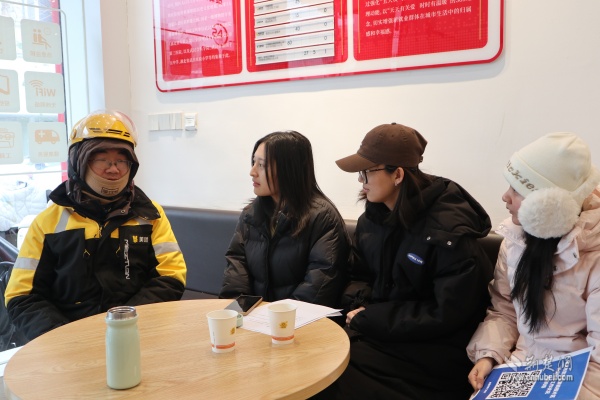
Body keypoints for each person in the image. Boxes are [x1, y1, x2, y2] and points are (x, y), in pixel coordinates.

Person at [317, 123, 494, 400]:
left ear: (398, 174)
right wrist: (360, 306)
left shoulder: (448, 231)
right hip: (383, 334)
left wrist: (372, 317)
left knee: (334, 380)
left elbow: (448, 312)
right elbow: (358, 275)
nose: (360, 180)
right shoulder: (371, 221)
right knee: (320, 365)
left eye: (366, 172)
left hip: (435, 350)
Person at [5, 110, 187, 341]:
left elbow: (171, 277)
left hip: (135, 333)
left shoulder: (150, 215)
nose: (113, 169)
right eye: (102, 159)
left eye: (121, 160)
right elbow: (22, 296)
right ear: (79, 161)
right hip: (68, 341)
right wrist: (65, 338)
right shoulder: (49, 221)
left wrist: (124, 324)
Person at [467, 132, 600, 398]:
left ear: (550, 204)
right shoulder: (515, 240)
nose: (505, 197)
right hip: (520, 366)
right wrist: (488, 355)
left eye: (517, 190)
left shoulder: (594, 257)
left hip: (579, 377)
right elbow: (504, 310)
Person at [219, 130, 350, 307]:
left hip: (299, 319)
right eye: (253, 162)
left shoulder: (322, 217)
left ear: (288, 170)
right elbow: (236, 267)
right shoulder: (250, 214)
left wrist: (277, 317)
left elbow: (320, 284)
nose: (252, 172)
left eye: (261, 165)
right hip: (256, 317)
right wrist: (237, 310)